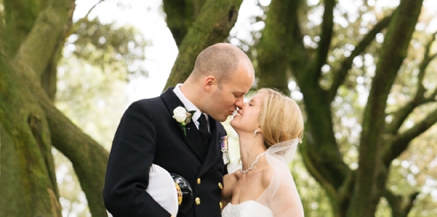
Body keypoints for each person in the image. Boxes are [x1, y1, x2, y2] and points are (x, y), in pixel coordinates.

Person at [104, 43, 255, 217]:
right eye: (237, 95)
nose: (241, 103)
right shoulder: (147, 115)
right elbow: (121, 193)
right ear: (210, 83)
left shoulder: (219, 132)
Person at [221, 88, 304, 217]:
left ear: (262, 124)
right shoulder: (233, 179)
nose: (241, 104)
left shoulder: (274, 176)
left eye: (251, 104)